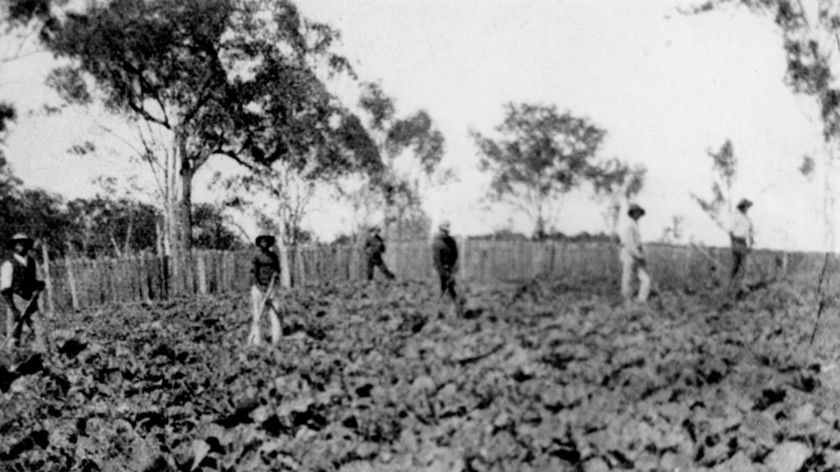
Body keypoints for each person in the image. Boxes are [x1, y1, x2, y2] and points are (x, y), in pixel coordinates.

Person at [1, 233, 46, 350]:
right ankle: (11, 357)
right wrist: (13, 309)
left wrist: (39, 286)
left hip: (30, 299)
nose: (20, 246)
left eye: (23, 243)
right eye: (17, 244)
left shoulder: (32, 262)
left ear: (27, 245)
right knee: (15, 330)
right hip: (16, 298)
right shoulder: (9, 264)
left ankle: (44, 354)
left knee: (39, 327)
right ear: (14, 246)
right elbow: (5, 290)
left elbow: (38, 280)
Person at [247, 235, 283, 346]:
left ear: (269, 243)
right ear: (259, 244)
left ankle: (276, 339)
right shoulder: (256, 256)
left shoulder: (273, 256)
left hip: (272, 288)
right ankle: (256, 340)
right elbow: (253, 275)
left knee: (276, 312)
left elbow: (277, 270)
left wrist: (275, 276)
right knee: (257, 314)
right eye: (262, 241)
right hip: (258, 288)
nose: (264, 243)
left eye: (266, 241)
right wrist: (261, 289)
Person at [619, 204, 651, 304]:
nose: (638, 214)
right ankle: (627, 301)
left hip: (636, 254)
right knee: (627, 278)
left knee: (645, 279)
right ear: (632, 213)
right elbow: (629, 244)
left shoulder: (635, 225)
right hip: (629, 254)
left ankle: (641, 301)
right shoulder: (629, 225)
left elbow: (637, 243)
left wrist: (641, 255)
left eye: (638, 212)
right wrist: (639, 256)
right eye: (635, 212)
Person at [431, 221, 463, 316]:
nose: (445, 233)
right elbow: (436, 260)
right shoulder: (437, 243)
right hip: (440, 270)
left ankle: (457, 310)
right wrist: (443, 273)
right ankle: (437, 311)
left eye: (446, 231)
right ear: (440, 230)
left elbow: (455, 256)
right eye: (443, 231)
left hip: (450, 269)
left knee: (451, 289)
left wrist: (452, 271)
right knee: (442, 289)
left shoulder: (451, 242)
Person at [728, 198, 754, 288]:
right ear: (742, 207)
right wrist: (733, 243)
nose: (747, 209)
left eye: (748, 207)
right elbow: (730, 231)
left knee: (745, 266)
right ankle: (730, 284)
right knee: (735, 266)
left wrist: (750, 244)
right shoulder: (735, 217)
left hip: (744, 243)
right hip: (736, 241)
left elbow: (750, 233)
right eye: (746, 207)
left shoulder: (748, 220)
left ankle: (742, 285)